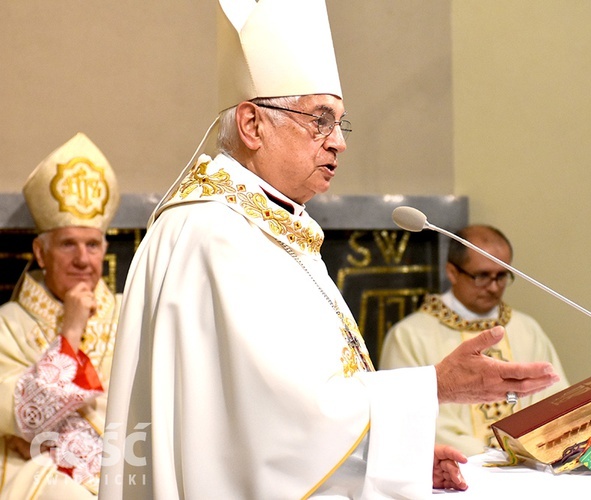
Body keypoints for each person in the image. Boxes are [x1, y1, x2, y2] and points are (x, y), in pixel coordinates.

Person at [100, 1, 560, 498]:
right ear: (253, 125)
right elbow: (276, 416)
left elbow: (292, 426)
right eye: (320, 120)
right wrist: (436, 386)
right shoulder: (216, 233)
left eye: (340, 122)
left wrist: (385, 457)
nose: (338, 142)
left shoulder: (270, 224)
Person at [0, 132, 121, 499]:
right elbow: (22, 416)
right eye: (68, 244)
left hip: (127, 468)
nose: (83, 260)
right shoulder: (8, 324)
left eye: (93, 245)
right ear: (40, 253)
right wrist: (71, 329)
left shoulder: (133, 310)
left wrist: (42, 440)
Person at [380, 225, 569, 456]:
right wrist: (490, 457)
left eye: (501, 276)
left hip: (528, 467)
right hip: (457, 470)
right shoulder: (409, 336)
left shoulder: (526, 329)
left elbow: (555, 398)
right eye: (482, 276)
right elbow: (408, 412)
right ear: (452, 272)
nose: (493, 287)